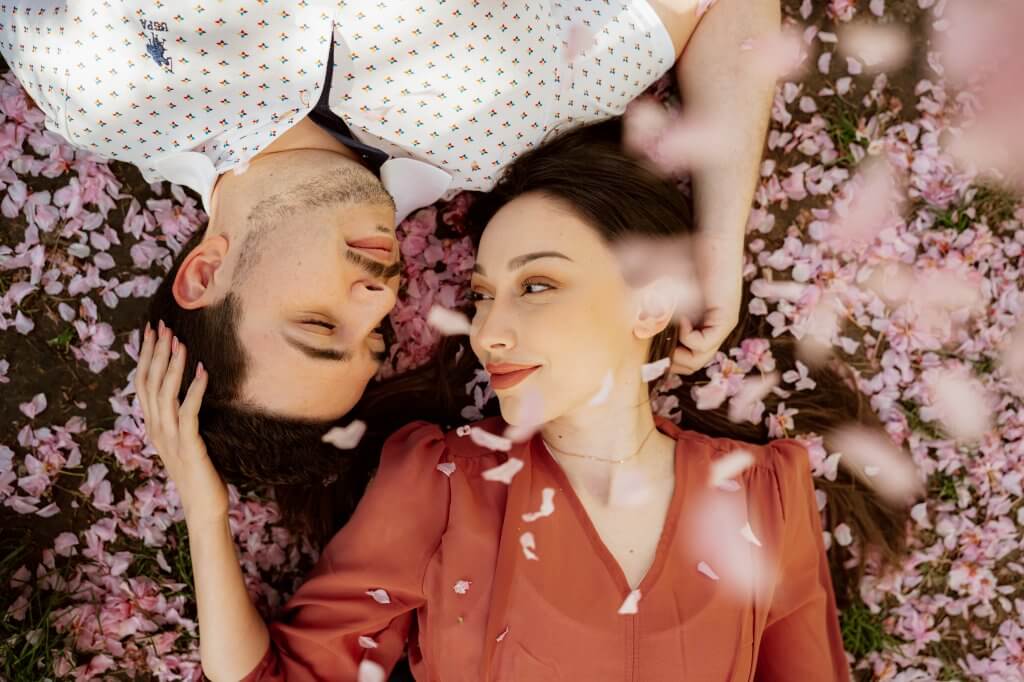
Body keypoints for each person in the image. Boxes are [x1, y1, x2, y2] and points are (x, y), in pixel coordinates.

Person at [136, 122, 912, 681]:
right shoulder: (440, 484)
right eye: (481, 297)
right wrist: (204, 509)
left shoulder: (767, 497)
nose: (489, 331)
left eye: (537, 285)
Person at [0, 0, 781, 454]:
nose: (381, 299)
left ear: (206, 272)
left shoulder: (98, 85)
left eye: (319, 325)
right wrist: (719, 245)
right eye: (374, 337)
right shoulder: (508, 121)